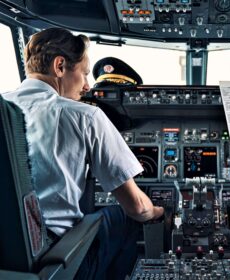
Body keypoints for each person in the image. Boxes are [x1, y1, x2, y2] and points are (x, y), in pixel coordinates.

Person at [2, 27, 164, 279]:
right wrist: (159, 212)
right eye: (85, 73)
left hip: (6, 262)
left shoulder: (4, 108)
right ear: (60, 66)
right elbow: (137, 208)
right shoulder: (84, 116)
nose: (88, 85)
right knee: (123, 216)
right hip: (57, 260)